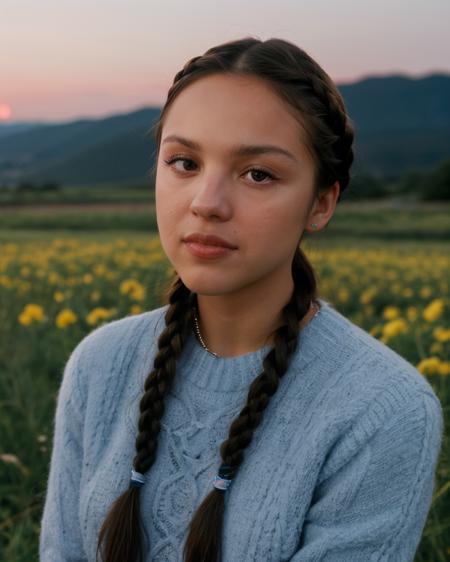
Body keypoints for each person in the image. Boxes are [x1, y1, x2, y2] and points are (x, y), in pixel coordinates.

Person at [39, 37, 444, 562]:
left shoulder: (382, 409)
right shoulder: (100, 365)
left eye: (258, 174)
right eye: (184, 162)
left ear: (321, 204)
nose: (206, 203)